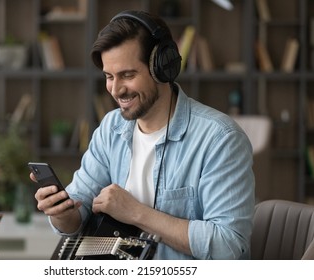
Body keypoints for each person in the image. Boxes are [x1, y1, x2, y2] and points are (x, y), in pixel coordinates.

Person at [31, 10, 255, 260]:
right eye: (109, 77)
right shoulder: (111, 128)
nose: (116, 90)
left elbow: (229, 246)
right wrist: (61, 213)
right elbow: (78, 209)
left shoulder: (219, 139)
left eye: (128, 75)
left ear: (162, 67)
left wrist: (137, 212)